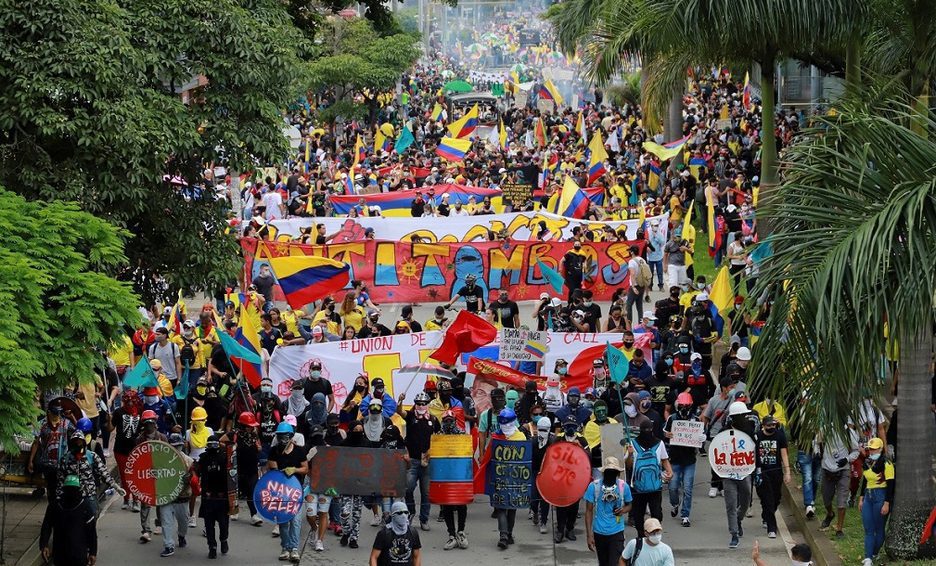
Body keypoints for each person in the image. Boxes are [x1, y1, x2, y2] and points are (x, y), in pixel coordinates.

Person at [267, 422, 308, 562]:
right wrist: (277, 470)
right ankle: (285, 548)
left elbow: (305, 469)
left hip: (295, 490)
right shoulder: (274, 451)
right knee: (283, 521)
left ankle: (294, 549)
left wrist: (295, 470)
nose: (282, 439)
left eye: (285, 436)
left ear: (291, 436)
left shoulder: (300, 451)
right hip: (280, 491)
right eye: (279, 436)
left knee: (295, 521)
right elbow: (271, 468)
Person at [626, 421, 672, 538]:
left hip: (654, 487)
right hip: (639, 487)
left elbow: (664, 459)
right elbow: (629, 465)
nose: (647, 432)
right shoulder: (632, 444)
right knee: (638, 514)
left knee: (656, 513)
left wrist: (670, 471)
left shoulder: (659, 443)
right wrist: (630, 454)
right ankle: (641, 536)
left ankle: (654, 535)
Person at [40, 474, 97, 566]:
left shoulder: (55, 505)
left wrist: (44, 545)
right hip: (74, 554)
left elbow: (46, 526)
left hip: (64, 554)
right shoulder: (85, 506)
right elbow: (91, 532)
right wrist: (92, 552)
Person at [584, 456, 632, 566]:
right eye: (609, 471)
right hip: (599, 532)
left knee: (614, 563)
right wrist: (589, 535)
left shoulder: (623, 487)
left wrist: (623, 510)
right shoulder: (594, 487)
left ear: (617, 473)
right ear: (603, 472)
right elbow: (589, 511)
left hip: (617, 532)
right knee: (603, 563)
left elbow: (629, 505)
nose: (611, 474)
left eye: (613, 472)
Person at [663, 393, 700, 527]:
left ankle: (685, 515)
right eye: (682, 405)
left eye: (686, 405)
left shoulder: (696, 420)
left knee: (688, 489)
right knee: (673, 487)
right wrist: (667, 434)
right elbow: (664, 432)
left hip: (689, 460)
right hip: (675, 459)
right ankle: (675, 504)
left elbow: (702, 435)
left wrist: (700, 438)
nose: (684, 408)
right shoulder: (672, 419)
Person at [492, 408, 525, 550]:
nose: (504, 425)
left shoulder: (521, 438)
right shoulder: (496, 437)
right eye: (502, 422)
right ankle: (504, 536)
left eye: (507, 422)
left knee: (511, 508)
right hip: (500, 478)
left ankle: (508, 534)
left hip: (515, 478)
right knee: (501, 507)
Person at [819, 426, 860, 540]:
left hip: (843, 470)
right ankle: (830, 513)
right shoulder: (825, 429)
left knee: (842, 501)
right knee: (826, 498)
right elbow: (818, 443)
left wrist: (847, 459)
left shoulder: (848, 432)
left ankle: (839, 529)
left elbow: (856, 451)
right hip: (827, 469)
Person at [754, 415, 791, 539]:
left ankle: (766, 516)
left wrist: (787, 472)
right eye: (769, 425)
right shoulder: (757, 437)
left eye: (773, 425)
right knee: (767, 499)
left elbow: (784, 454)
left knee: (776, 498)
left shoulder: (780, 435)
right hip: (762, 472)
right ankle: (772, 528)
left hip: (776, 472)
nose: (771, 427)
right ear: (763, 426)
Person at [858, 437, 894, 566]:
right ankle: (868, 557)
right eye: (870, 449)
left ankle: (874, 553)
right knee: (868, 528)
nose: (872, 452)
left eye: (874, 449)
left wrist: (886, 503)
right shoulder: (867, 462)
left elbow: (890, 485)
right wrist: (861, 498)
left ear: (880, 449)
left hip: (881, 495)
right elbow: (865, 481)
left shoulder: (886, 464)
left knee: (879, 529)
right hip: (869, 496)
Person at [159, 433, 194, 557]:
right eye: (174, 446)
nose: (176, 448)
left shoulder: (189, 461)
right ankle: (168, 545)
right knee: (166, 522)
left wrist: (189, 479)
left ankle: (181, 535)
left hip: (182, 497)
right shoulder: (161, 460)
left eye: (178, 446)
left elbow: (193, 478)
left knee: (183, 522)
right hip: (166, 497)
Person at [438, 411, 469, 550]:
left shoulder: (462, 434)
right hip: (444, 474)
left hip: (459, 474)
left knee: (461, 503)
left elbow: (467, 452)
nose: (448, 423)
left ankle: (461, 532)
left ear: (455, 420)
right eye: (446, 420)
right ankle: (451, 534)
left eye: (451, 420)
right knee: (446, 505)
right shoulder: (438, 435)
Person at [197, 434, 231, 559]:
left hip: (222, 496)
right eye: (210, 444)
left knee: (223, 523)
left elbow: (231, 475)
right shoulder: (203, 458)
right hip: (208, 496)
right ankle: (212, 546)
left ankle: (223, 540)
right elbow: (197, 472)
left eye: (215, 444)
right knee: (209, 524)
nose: (212, 447)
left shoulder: (225, 457)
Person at [369, 501, 422, 566]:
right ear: (393, 515)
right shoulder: (384, 533)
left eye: (406, 512)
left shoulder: (413, 532)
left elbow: (416, 556)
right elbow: (374, 557)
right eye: (399, 513)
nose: (403, 515)